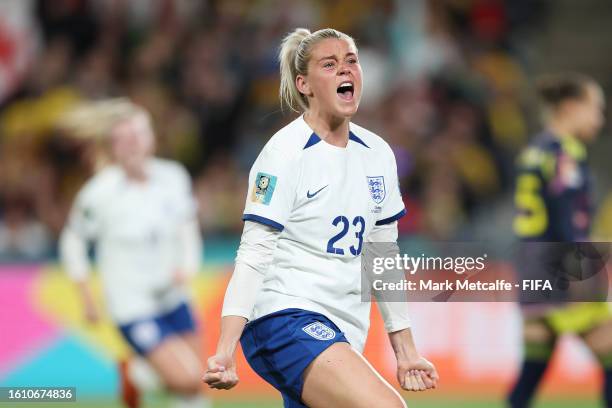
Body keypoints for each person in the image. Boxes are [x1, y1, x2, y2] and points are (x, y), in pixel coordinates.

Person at [203, 28, 438, 408]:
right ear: (304, 84)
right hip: (283, 318)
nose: (345, 71)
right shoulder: (284, 154)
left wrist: (406, 350)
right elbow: (253, 253)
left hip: (342, 328)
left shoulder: (377, 153)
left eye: (351, 61)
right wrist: (224, 349)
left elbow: (382, 255)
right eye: (329, 65)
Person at [59, 100, 209, 408]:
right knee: (186, 379)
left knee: (198, 382)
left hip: (172, 295)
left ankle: (142, 374)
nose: (133, 144)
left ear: (151, 137)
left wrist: (188, 267)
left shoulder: (173, 176)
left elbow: (187, 227)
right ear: (113, 146)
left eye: (139, 135)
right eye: (124, 138)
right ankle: (142, 373)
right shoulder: (99, 193)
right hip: (132, 305)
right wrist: (85, 293)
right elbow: (72, 242)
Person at [508, 73, 610, 407]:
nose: (600, 118)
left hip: (531, 265)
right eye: (595, 108)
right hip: (561, 267)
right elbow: (570, 220)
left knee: (535, 360)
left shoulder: (534, 152)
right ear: (570, 108)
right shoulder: (565, 155)